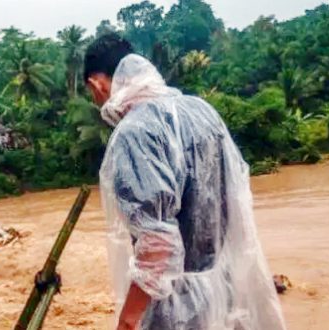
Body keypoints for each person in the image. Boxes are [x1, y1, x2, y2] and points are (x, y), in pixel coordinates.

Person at [83, 33, 286, 330]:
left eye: (93, 94)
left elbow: (157, 243)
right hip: (225, 290)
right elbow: (237, 201)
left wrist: (128, 320)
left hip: (176, 307)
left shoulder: (135, 132)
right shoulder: (202, 112)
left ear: (97, 84)